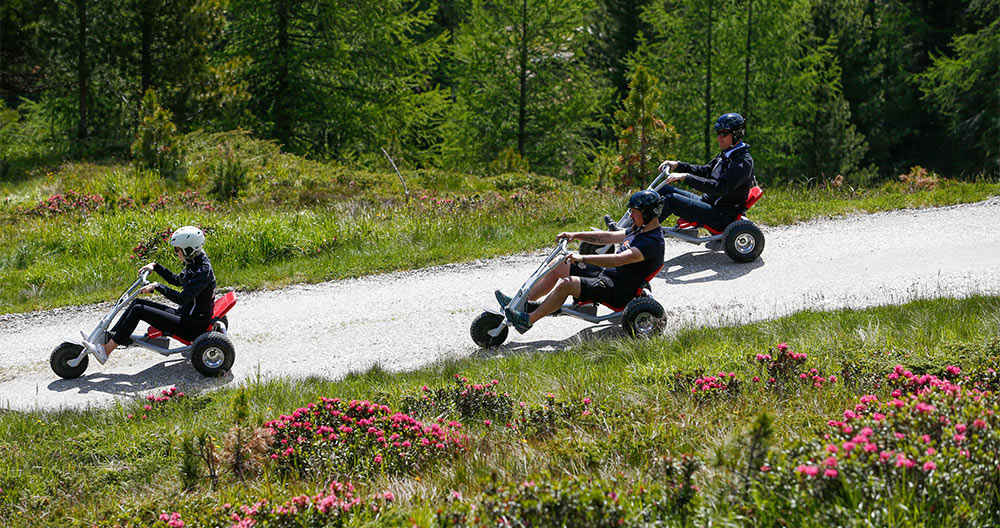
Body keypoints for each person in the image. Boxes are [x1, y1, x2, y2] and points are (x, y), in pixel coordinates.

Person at [497, 190, 665, 334]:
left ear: (648, 213)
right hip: (607, 276)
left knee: (566, 284)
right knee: (558, 263)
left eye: (634, 212)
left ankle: (528, 320)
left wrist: (582, 258)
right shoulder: (638, 229)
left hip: (618, 290)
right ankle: (523, 304)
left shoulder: (651, 242)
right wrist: (574, 235)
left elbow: (618, 260)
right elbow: (608, 237)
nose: (631, 215)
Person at [81, 226, 216, 364]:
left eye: (177, 249)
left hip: (192, 325)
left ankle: (106, 351)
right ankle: (108, 338)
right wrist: (155, 266)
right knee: (137, 303)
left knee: (139, 310)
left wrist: (158, 286)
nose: (176, 252)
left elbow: (182, 298)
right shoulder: (194, 262)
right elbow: (176, 280)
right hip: (185, 315)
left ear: (188, 249)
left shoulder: (202, 271)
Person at [656, 112, 757, 233]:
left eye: (724, 133)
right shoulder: (727, 153)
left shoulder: (742, 162)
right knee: (662, 189)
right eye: (718, 133)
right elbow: (706, 171)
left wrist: (686, 177)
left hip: (722, 215)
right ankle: (636, 223)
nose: (719, 138)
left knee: (671, 200)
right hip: (709, 203)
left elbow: (719, 188)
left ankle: (643, 235)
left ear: (736, 134)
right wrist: (678, 165)